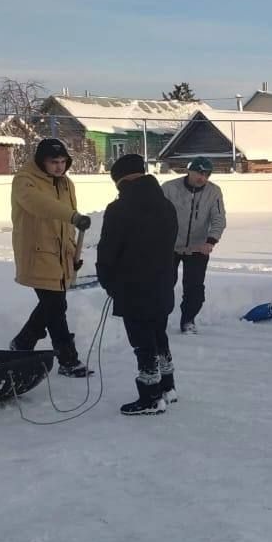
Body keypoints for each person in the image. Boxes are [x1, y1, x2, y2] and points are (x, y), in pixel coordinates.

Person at [97, 154, 180, 415]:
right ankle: (168, 387)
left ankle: (150, 396)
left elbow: (108, 251)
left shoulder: (119, 209)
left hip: (133, 286)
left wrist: (108, 280)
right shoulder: (167, 205)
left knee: (142, 342)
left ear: (120, 180)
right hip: (163, 282)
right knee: (159, 335)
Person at [9, 138, 93, 376]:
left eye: (63, 161)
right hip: (37, 253)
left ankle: (23, 342)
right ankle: (67, 360)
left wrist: (73, 252)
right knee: (55, 307)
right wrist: (73, 216)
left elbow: (67, 226)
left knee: (54, 304)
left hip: (61, 256)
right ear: (41, 161)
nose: (59, 166)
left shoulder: (66, 183)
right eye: (53, 162)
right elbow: (40, 205)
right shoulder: (25, 181)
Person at [161, 156, 226, 334]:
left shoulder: (214, 192)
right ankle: (159, 320)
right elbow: (155, 214)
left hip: (198, 247)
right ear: (189, 171)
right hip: (170, 246)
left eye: (206, 174)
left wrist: (210, 241)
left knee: (195, 288)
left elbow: (219, 218)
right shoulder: (169, 188)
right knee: (164, 285)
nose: (202, 178)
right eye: (198, 172)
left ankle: (188, 320)